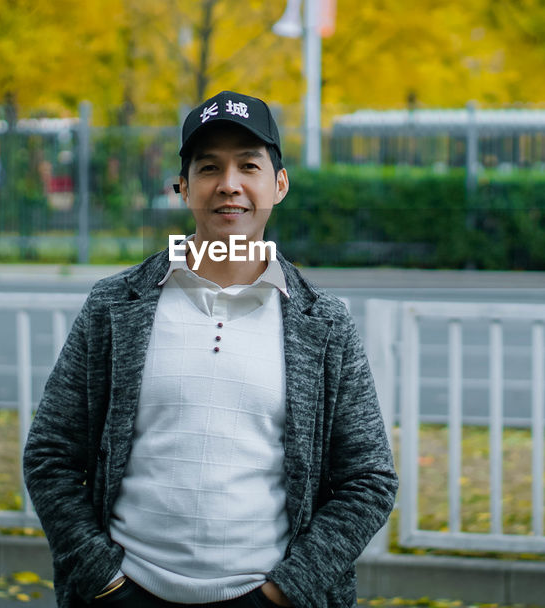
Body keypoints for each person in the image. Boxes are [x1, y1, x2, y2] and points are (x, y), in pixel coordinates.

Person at [23, 90, 398, 608]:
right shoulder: (116, 305)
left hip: (265, 596)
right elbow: (50, 455)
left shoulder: (324, 323)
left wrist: (286, 592)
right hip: (127, 591)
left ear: (279, 184)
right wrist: (101, 579)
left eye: (249, 165)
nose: (229, 185)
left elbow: (369, 479)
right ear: (182, 186)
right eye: (208, 168)